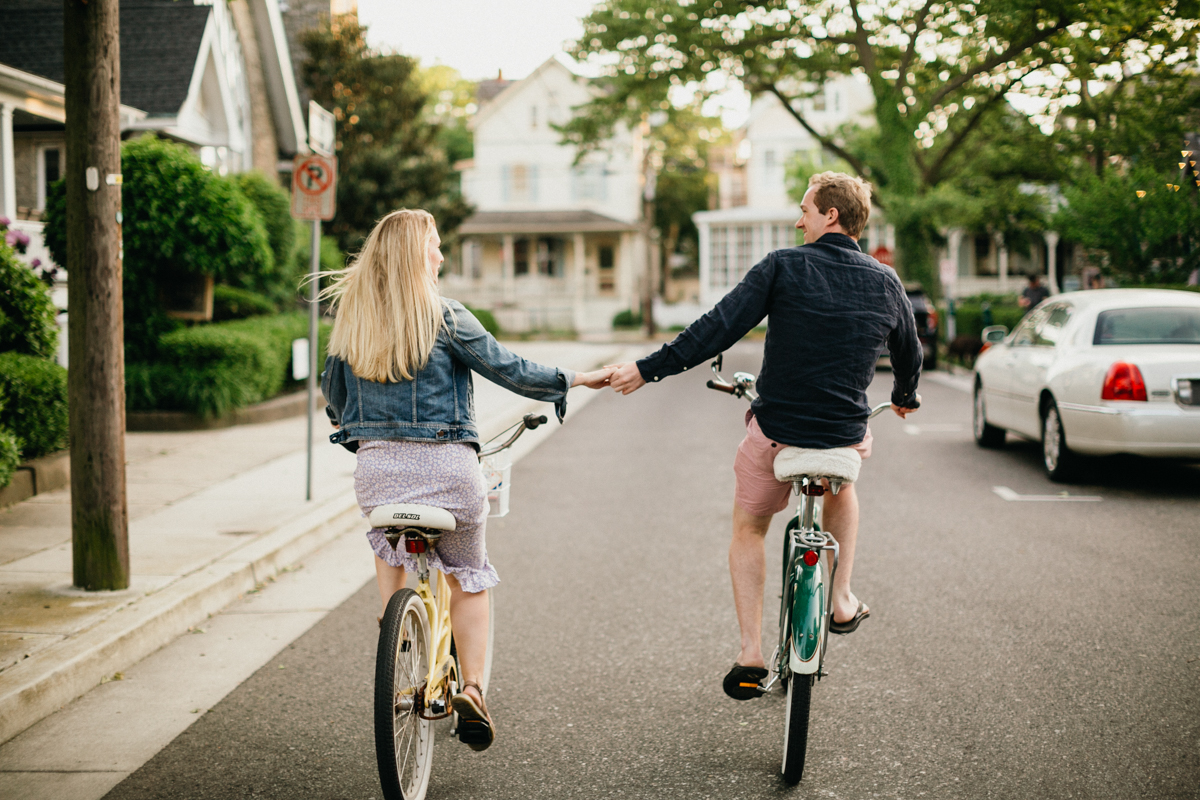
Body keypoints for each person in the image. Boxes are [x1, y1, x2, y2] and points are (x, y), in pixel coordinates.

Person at [607, 172, 922, 700]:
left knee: (750, 528)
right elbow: (909, 352)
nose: (798, 220)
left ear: (831, 216)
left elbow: (717, 327)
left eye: (805, 210)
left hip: (777, 431)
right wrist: (907, 395)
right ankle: (841, 597)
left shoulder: (783, 265)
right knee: (844, 481)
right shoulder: (886, 281)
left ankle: (751, 650)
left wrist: (648, 368)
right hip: (844, 435)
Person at [320, 209, 613, 749]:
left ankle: (397, 635)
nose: (441, 255)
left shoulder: (351, 321)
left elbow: (334, 401)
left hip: (379, 477)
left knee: (391, 552)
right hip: (450, 474)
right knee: (468, 576)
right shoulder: (447, 316)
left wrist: (360, 430)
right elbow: (512, 369)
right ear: (415, 255)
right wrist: (575, 378)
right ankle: (473, 689)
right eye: (433, 245)